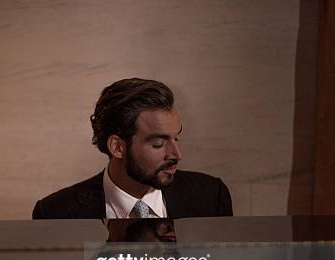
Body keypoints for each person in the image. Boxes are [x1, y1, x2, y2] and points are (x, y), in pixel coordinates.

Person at [32, 78, 233, 219]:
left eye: (176, 138)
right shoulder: (55, 213)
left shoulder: (211, 197)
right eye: (158, 143)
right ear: (117, 147)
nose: (176, 154)